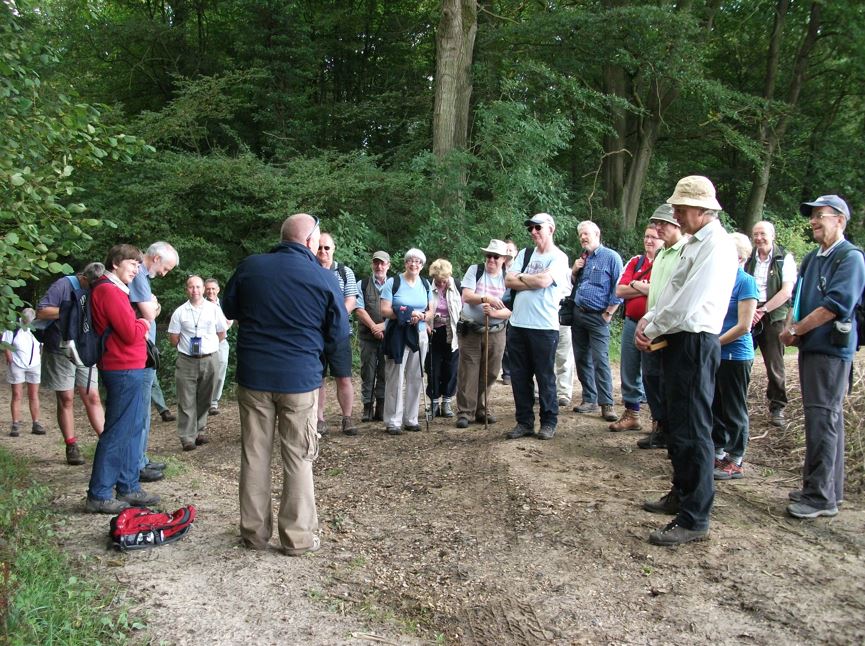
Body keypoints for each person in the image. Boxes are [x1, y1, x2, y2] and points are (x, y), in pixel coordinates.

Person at [222, 213, 349, 555]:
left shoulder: (250, 267)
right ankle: (297, 538)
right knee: (298, 457)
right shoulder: (323, 278)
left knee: (255, 454)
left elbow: (228, 308)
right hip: (299, 380)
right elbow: (339, 333)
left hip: (254, 377)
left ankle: (254, 534)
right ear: (309, 241)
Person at [635, 175, 737, 546]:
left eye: (680, 208)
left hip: (695, 342)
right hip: (677, 339)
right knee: (678, 424)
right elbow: (672, 291)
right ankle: (681, 493)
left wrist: (653, 327)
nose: (675, 214)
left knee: (694, 429)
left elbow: (688, 302)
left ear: (701, 209)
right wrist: (650, 319)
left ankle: (695, 517)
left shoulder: (717, 246)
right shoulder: (694, 243)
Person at [781, 195, 865, 519]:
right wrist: (790, 326)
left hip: (831, 351)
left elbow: (835, 306)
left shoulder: (851, 258)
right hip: (811, 347)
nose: (813, 221)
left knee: (823, 418)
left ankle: (819, 497)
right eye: (812, 216)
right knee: (825, 418)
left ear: (840, 220)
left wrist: (797, 329)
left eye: (820, 216)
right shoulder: (812, 258)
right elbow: (799, 296)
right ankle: (827, 489)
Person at [86, 244, 158, 514]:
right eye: (132, 264)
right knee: (117, 431)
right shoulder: (109, 290)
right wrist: (145, 321)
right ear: (115, 263)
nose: (136, 270)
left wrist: (138, 321)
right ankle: (99, 493)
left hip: (129, 366)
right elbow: (129, 333)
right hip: (121, 366)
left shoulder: (116, 289)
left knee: (131, 427)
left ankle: (128, 486)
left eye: (139, 265)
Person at [504, 213, 571, 441]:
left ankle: (549, 421)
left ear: (551, 228)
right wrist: (531, 279)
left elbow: (544, 281)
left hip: (544, 327)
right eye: (530, 228)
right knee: (519, 377)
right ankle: (524, 422)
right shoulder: (525, 253)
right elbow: (508, 280)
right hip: (517, 324)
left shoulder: (559, 257)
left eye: (537, 227)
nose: (533, 232)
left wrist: (522, 278)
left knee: (544, 376)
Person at [36, 263, 106, 465]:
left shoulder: (100, 287)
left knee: (92, 396)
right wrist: (72, 310)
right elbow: (42, 311)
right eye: (91, 286)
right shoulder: (63, 285)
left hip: (86, 348)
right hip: (60, 347)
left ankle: (107, 443)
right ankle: (71, 445)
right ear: (83, 278)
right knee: (66, 398)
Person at [637, 205, 687, 450]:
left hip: (673, 329)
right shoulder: (661, 253)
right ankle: (661, 428)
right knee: (651, 378)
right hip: (653, 325)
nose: (657, 228)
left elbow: (677, 295)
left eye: (662, 223)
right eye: (655, 223)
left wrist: (656, 324)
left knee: (670, 383)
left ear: (677, 224)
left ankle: (674, 435)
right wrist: (647, 320)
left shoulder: (685, 251)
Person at [128, 241, 179, 482]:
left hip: (144, 351)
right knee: (140, 411)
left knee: (144, 410)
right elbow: (149, 313)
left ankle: (141, 458)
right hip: (140, 352)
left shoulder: (141, 277)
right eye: (165, 268)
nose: (164, 274)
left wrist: (153, 305)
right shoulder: (139, 275)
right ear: (156, 258)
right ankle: (136, 464)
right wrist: (155, 306)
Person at [712, 233, 758, 480]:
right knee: (715, 405)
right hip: (716, 353)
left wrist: (714, 343)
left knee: (733, 407)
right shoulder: (719, 279)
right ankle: (717, 451)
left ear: (740, 257)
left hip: (736, 355)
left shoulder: (746, 282)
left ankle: (736, 459)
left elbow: (744, 325)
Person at [609, 224, 663, 432]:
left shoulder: (665, 262)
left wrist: (635, 284)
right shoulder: (636, 261)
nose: (649, 241)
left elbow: (662, 292)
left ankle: (659, 421)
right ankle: (632, 414)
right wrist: (645, 288)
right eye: (646, 236)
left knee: (653, 372)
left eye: (654, 237)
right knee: (629, 369)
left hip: (656, 326)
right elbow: (619, 291)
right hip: (632, 322)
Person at [455, 240, 512, 428]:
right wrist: (486, 299)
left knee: (491, 371)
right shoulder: (475, 270)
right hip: (471, 329)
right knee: (469, 370)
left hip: (496, 330)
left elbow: (511, 308)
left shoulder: (508, 277)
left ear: (503, 259)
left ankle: (482, 408)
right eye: (488, 255)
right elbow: (466, 296)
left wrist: (494, 313)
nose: (491, 259)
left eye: (496, 256)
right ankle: (465, 412)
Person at [570, 221, 623, 422]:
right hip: (578, 314)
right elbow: (575, 284)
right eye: (580, 235)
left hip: (599, 315)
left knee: (600, 359)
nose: (583, 238)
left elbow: (619, 286)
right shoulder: (583, 258)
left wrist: (609, 313)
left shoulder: (611, 257)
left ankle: (607, 404)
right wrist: (574, 271)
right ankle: (589, 399)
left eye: (586, 234)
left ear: (597, 234)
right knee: (581, 358)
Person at [168, 275, 227, 451]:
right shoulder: (180, 312)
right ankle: (187, 437)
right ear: (186, 289)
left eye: (198, 287)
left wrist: (209, 346)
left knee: (205, 398)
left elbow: (222, 333)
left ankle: (199, 430)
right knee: (186, 399)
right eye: (191, 287)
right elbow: (173, 338)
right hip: (186, 360)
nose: (195, 290)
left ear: (203, 289)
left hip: (210, 358)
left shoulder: (214, 309)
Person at [746, 221, 796, 428]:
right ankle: (737, 402)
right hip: (747, 312)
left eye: (763, 234)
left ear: (772, 235)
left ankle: (777, 406)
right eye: (755, 234)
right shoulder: (748, 257)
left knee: (774, 364)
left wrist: (763, 310)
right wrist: (749, 310)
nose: (759, 238)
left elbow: (786, 292)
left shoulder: (785, 258)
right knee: (740, 360)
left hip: (773, 316)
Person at [380, 249, 432, 435]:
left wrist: (423, 316)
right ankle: (393, 421)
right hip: (398, 334)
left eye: (418, 262)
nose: (414, 264)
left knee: (416, 375)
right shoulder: (393, 283)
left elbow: (431, 310)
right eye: (410, 260)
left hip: (419, 334)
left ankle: (411, 418)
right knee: (396, 375)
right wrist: (409, 314)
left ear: (422, 265)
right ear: (405, 263)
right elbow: (384, 310)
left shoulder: (425, 284)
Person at [316, 232, 359, 436]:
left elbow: (351, 300)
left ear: (333, 249)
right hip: (314, 334)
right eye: (319, 247)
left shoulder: (344, 272)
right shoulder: (309, 270)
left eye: (327, 247)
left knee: (344, 377)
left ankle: (347, 418)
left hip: (339, 333)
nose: (323, 251)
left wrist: (334, 318)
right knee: (318, 379)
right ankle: (319, 419)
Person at [354, 251, 390, 422]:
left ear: (388, 265)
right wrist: (374, 327)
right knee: (367, 372)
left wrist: (383, 327)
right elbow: (359, 309)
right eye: (376, 263)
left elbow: (397, 309)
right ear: (372, 264)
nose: (379, 266)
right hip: (367, 337)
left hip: (389, 337)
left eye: (382, 263)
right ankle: (367, 407)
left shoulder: (394, 284)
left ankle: (381, 408)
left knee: (385, 372)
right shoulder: (362, 284)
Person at [426, 259, 461, 419]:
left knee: (451, 368)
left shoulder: (458, 286)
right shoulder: (427, 286)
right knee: (433, 368)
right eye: (438, 280)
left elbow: (465, 307)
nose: (441, 283)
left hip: (453, 332)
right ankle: (434, 402)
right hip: (433, 332)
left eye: (444, 280)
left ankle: (447, 401)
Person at [3, 308, 44, 437]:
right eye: (25, 320)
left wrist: (40, 357)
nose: (27, 322)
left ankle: (36, 423)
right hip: (17, 364)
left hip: (34, 364)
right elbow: (6, 343)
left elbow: (41, 343)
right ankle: (15, 424)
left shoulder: (37, 327)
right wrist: (9, 357)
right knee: (17, 394)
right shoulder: (14, 326)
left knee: (34, 394)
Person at [204, 278, 233, 415]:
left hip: (221, 343)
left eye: (213, 288)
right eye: (208, 289)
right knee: (206, 373)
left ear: (218, 290)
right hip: (206, 343)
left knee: (220, 373)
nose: (210, 291)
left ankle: (214, 403)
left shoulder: (224, 304)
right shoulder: (201, 305)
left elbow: (228, 322)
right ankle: (203, 401)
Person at [500, 239, 518, 385]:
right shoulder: (497, 268)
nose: (508, 252)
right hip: (498, 306)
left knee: (512, 340)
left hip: (514, 307)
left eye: (511, 250)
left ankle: (510, 372)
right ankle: (505, 372)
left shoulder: (520, 268)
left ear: (516, 252)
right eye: (506, 250)